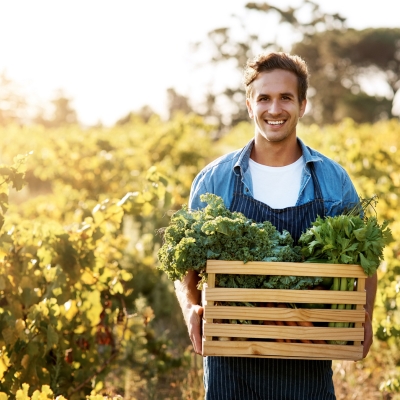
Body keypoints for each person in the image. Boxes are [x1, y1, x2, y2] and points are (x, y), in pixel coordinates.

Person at [174, 51, 377, 399]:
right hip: (230, 365)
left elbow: (364, 261)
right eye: (264, 98)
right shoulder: (214, 180)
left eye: (286, 98)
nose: (274, 109)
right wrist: (189, 306)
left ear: (303, 104)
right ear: (250, 106)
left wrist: (365, 317)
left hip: (307, 358)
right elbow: (185, 264)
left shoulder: (332, 179)